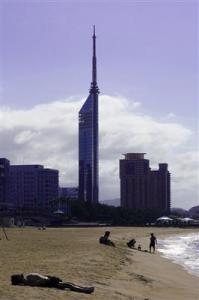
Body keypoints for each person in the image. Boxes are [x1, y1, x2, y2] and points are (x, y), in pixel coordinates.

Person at [11, 273, 94, 294]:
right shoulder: (27, 281)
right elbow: (38, 282)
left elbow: (40, 278)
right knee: (68, 285)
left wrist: (49, 278)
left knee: (69, 284)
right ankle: (85, 290)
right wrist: (49, 279)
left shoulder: (28, 278)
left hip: (48, 281)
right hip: (48, 282)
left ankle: (84, 288)